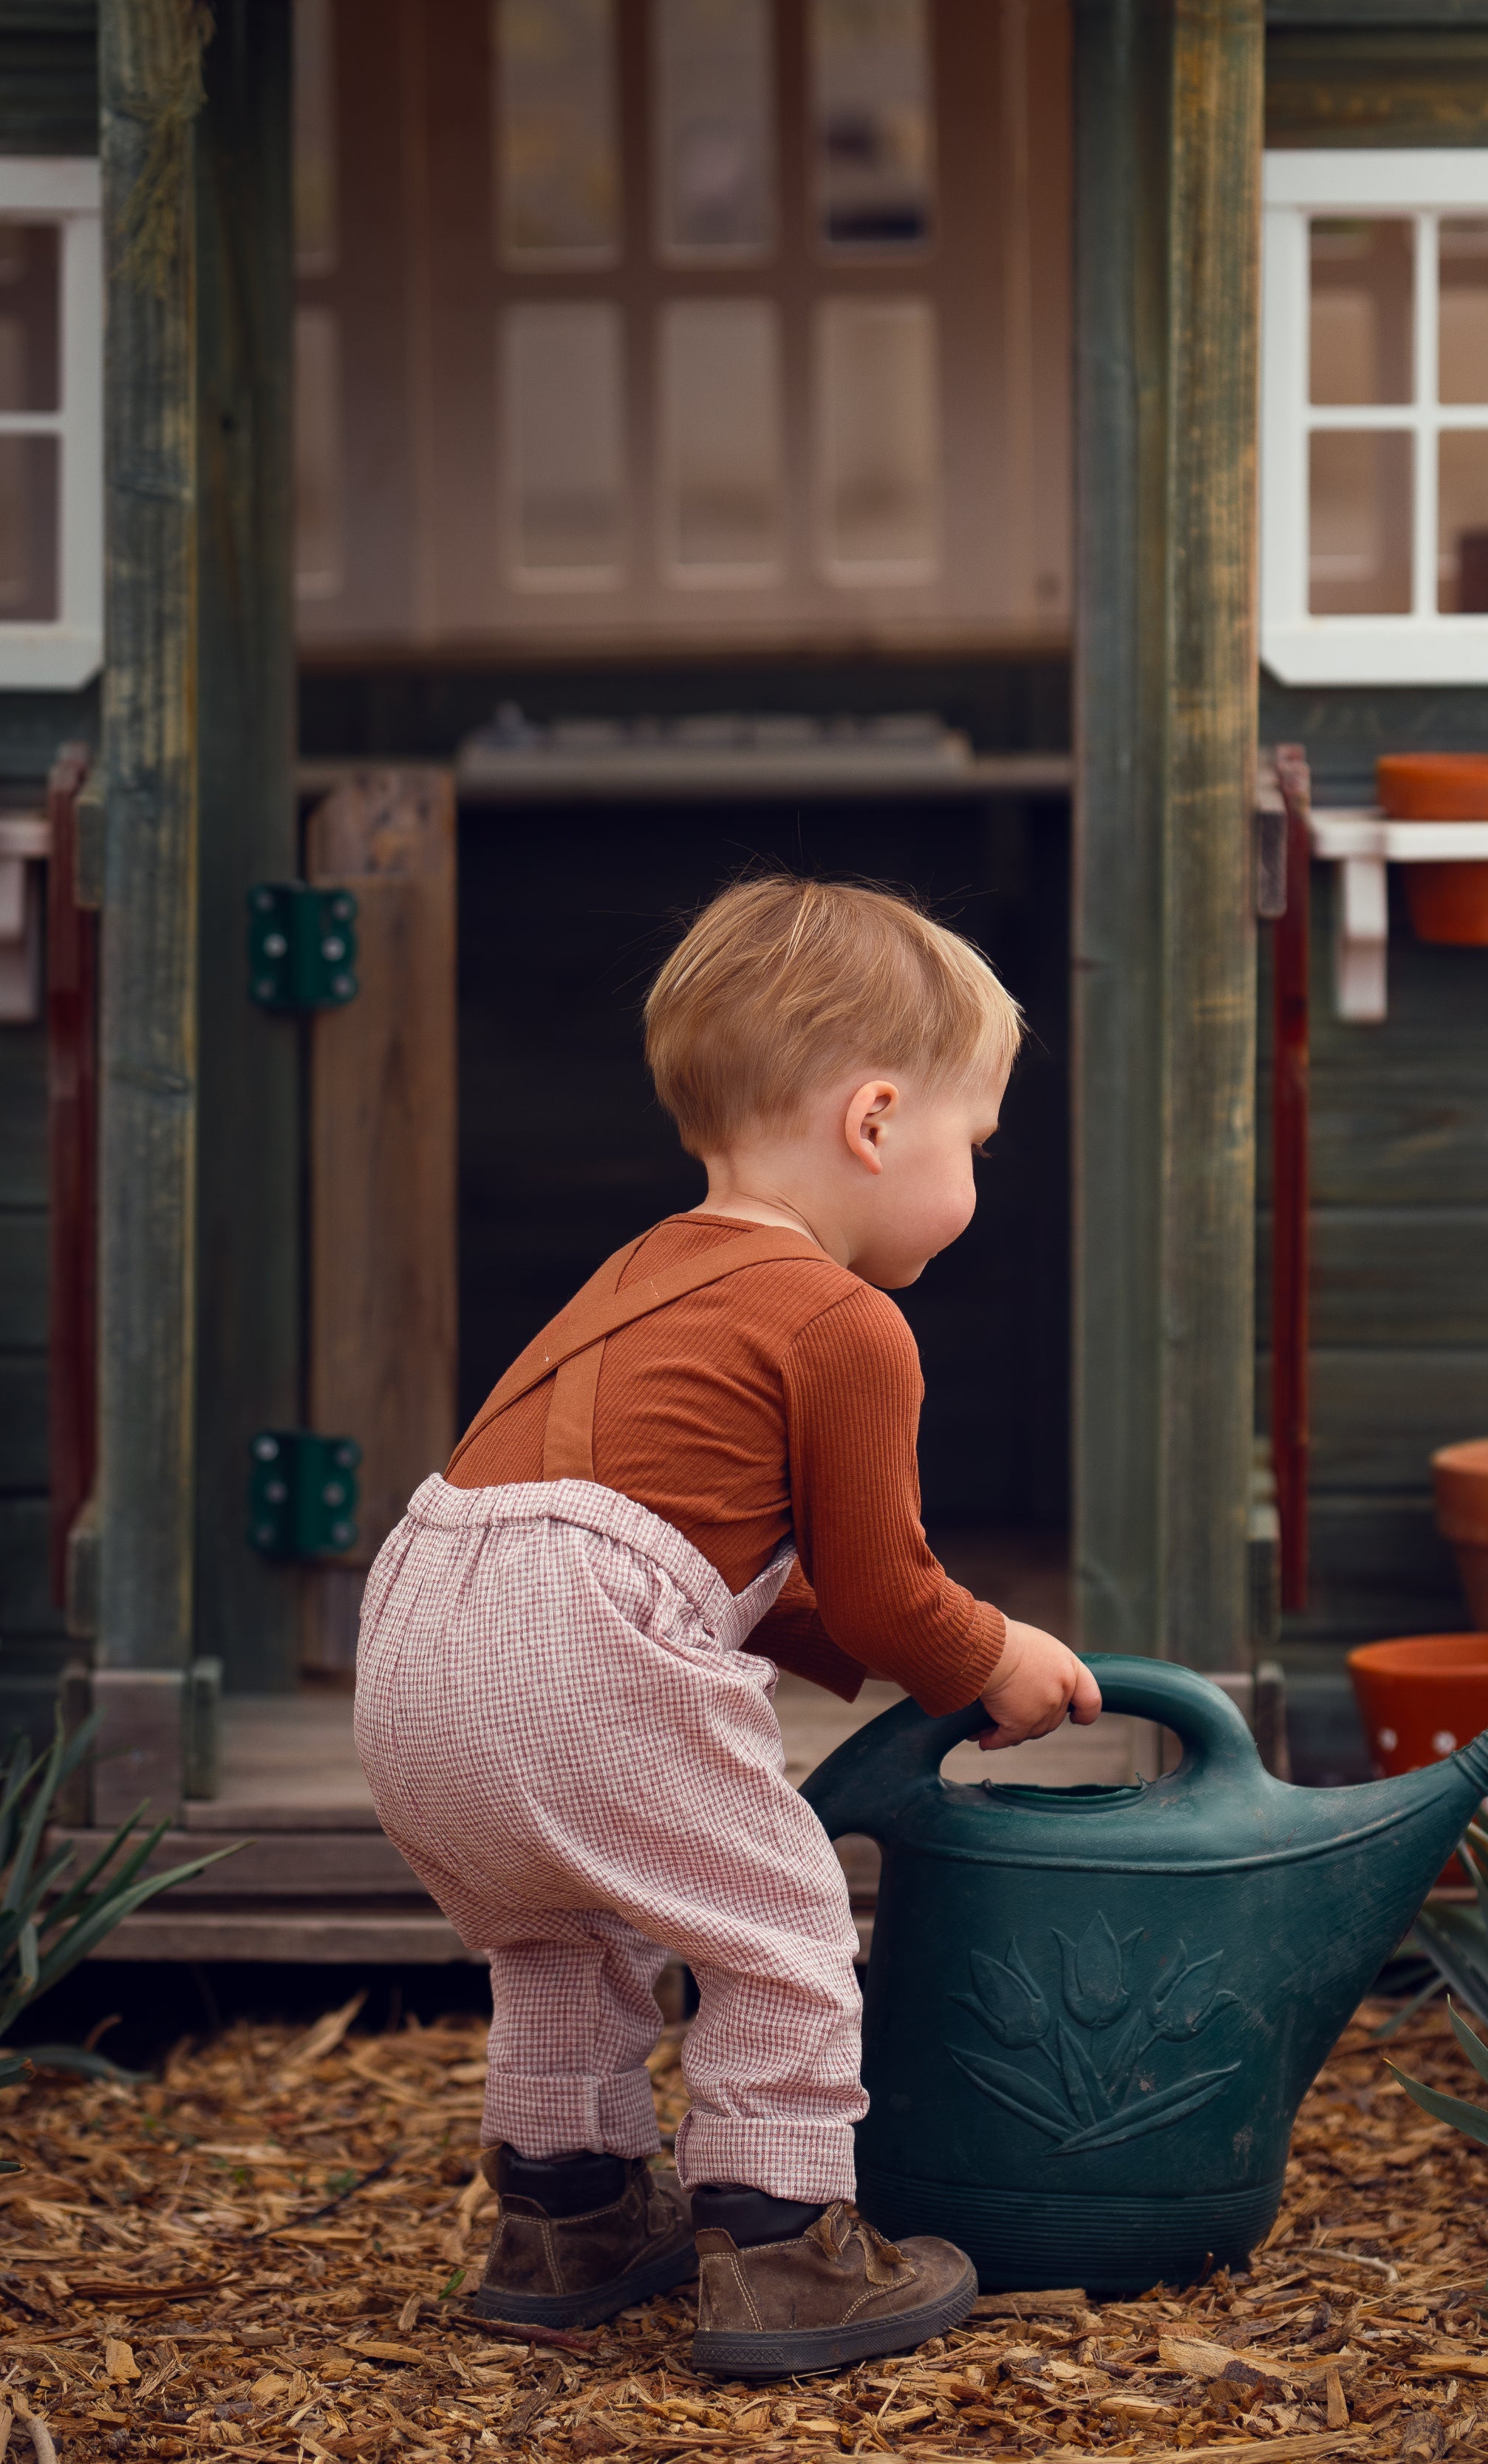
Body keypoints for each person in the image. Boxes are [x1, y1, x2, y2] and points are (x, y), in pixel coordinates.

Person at [355, 874, 1102, 2379]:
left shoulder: (642, 1270)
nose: (976, 1184)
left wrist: (844, 1646)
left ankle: (563, 2215)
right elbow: (889, 1587)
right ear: (878, 1122)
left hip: (418, 1623)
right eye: (977, 1142)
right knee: (781, 1925)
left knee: (564, 1925)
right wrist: (994, 1654)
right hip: (571, 1638)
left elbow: (726, 1551)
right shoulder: (845, 1320)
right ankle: (782, 2249)